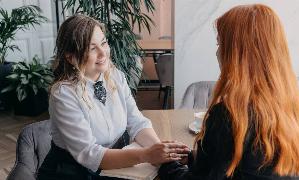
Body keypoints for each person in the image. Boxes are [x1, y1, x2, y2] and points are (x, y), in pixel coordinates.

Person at [159, 4, 299, 180]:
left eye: (220, 43)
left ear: (237, 54)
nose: (217, 52)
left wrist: (166, 165)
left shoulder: (230, 115)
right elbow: (244, 165)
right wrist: (193, 158)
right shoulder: (292, 107)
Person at [37, 14, 189, 180]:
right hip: (70, 171)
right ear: (70, 56)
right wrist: (147, 155)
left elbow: (137, 122)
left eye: (103, 43)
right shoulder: (63, 94)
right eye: (92, 48)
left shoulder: (116, 76)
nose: (103, 53)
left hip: (111, 163)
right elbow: (90, 155)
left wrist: (163, 155)